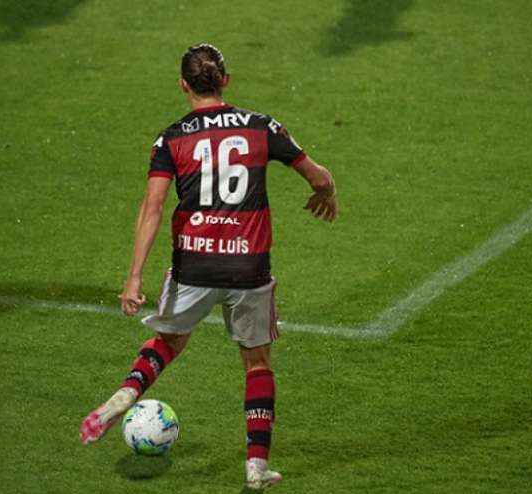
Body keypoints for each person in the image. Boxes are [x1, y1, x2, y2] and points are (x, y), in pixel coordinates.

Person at [79, 43, 336, 489]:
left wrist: (134, 276)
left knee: (168, 343)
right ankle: (256, 467)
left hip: (193, 266)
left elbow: (154, 207)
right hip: (249, 268)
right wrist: (326, 193)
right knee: (257, 363)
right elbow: (319, 176)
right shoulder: (261, 126)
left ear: (183, 85)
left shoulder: (171, 138)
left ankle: (127, 392)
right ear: (226, 81)